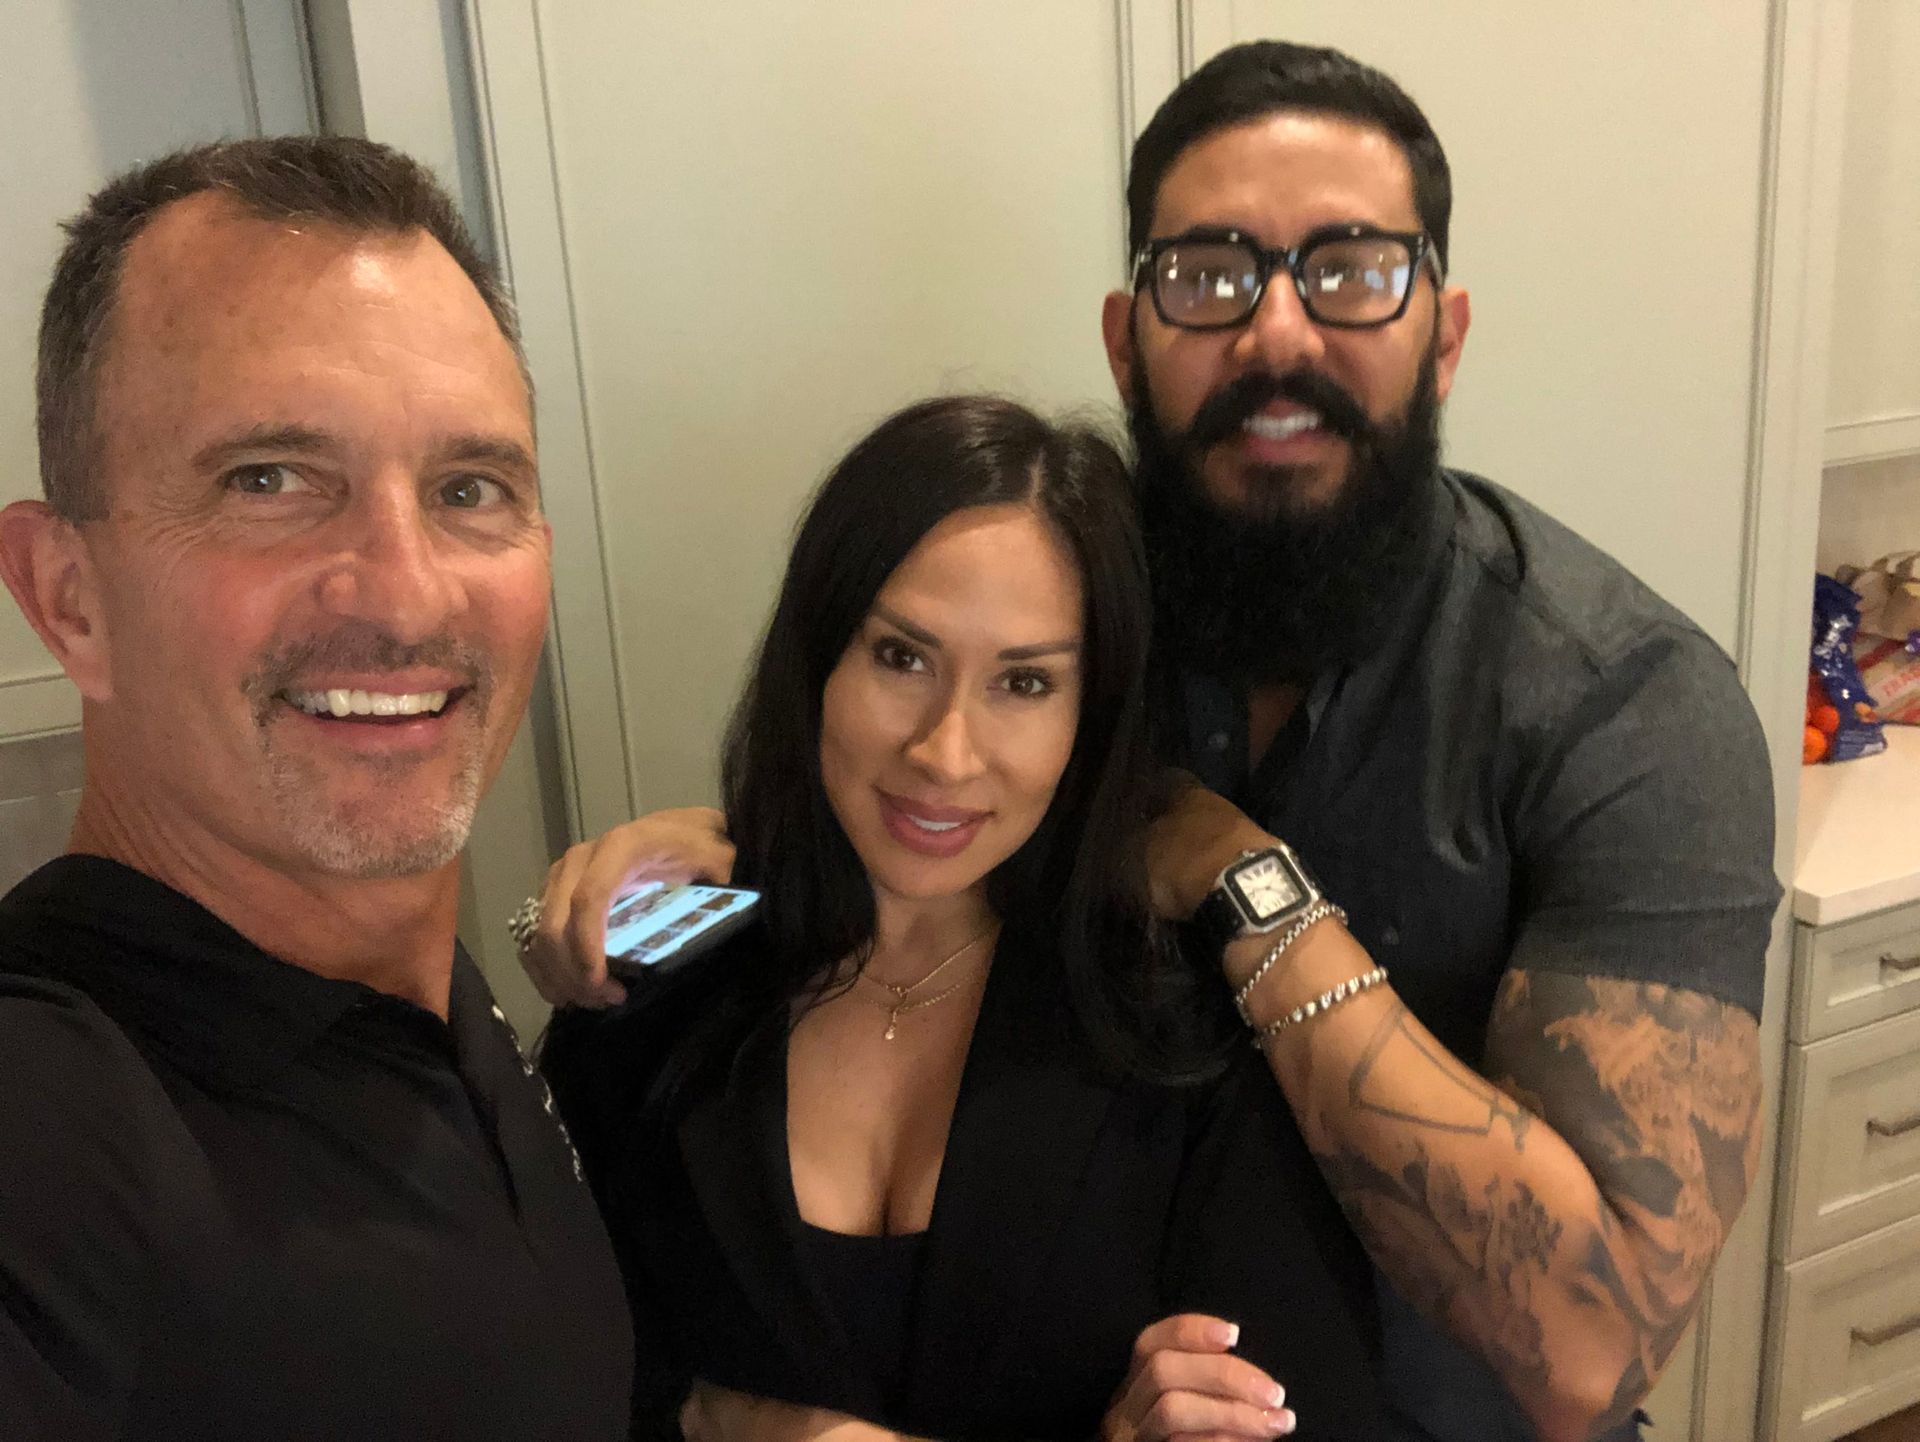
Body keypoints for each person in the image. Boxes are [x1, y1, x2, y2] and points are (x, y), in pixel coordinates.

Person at [527, 41, 1781, 1442]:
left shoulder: (1623, 708)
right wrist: (729, 866)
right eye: (1211, 274)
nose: (1280, 334)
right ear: (1128, 338)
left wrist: (1249, 886)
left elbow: (1593, 1347)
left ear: (1447, 327)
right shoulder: (1079, 576)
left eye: (1353, 268)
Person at [537, 396, 1388, 1441]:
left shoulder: (1189, 1030)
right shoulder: (657, 977)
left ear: (1093, 714)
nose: (946, 751)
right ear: (818, 658)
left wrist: (758, 1425)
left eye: (1024, 682)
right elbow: (542, 1368)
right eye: (901, 657)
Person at [0, 138, 631, 1439]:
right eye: (271, 482)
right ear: (68, 596)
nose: (403, 592)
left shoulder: (422, 990)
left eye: (469, 488)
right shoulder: (51, 1134)